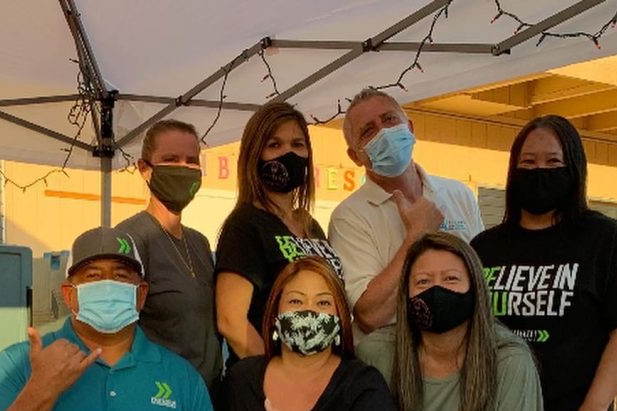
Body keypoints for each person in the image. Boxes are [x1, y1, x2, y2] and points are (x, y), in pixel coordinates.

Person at [0, 226, 227, 411]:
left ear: (142, 294)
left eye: (121, 276)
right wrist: (41, 387)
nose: (108, 285)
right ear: (69, 294)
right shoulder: (18, 363)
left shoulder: (181, 377)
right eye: (93, 276)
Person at [470, 115, 617, 411]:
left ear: (574, 168)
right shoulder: (484, 248)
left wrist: (594, 409)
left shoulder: (605, 239)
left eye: (553, 161)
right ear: (513, 170)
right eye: (528, 162)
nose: (539, 170)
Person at [358, 232, 544, 411]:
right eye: (423, 282)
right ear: (406, 294)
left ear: (475, 287)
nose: (437, 290)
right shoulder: (375, 352)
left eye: (451, 279)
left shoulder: (509, 358)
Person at [328, 88, 483, 347]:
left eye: (389, 119)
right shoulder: (349, 217)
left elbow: (481, 280)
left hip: (465, 352)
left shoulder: (458, 194)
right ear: (355, 156)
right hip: (396, 361)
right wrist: (415, 236)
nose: (384, 133)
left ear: (410, 128)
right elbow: (370, 316)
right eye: (368, 130)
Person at [221, 257, 400, 411]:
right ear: (275, 313)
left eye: (323, 303)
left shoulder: (358, 381)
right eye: (296, 301)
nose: (309, 312)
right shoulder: (241, 379)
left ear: (339, 316)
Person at [215, 100, 343, 360]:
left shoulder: (311, 225)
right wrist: (279, 378)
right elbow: (231, 321)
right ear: (255, 154)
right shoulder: (245, 224)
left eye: (297, 144)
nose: (289, 153)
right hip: (273, 384)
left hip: (321, 376)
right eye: (274, 145)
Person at [116, 119, 221, 391]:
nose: (183, 168)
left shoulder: (198, 242)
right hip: (159, 396)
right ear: (144, 168)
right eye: (170, 159)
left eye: (191, 160)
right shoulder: (130, 238)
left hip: (207, 398)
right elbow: (117, 334)